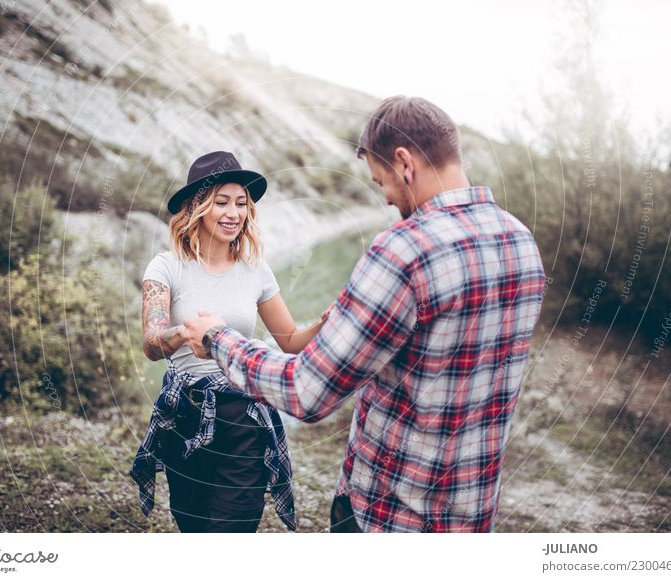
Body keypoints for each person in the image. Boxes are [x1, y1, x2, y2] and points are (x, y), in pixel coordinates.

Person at [183, 97, 547, 533]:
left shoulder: (403, 249)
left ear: (404, 163)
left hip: (388, 518)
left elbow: (306, 392)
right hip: (471, 516)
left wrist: (218, 338)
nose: (389, 199)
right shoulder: (520, 240)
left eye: (381, 183)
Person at [129, 151, 333, 533]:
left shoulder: (256, 269)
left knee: (234, 529)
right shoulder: (165, 266)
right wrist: (183, 334)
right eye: (221, 202)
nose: (233, 213)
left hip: (244, 418)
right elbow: (151, 344)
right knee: (192, 524)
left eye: (241, 203)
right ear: (197, 207)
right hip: (184, 416)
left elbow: (289, 341)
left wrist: (324, 324)